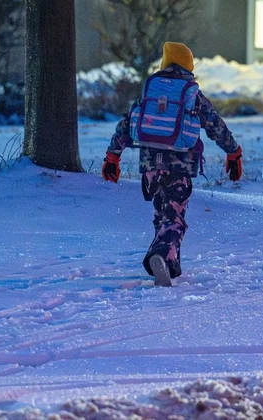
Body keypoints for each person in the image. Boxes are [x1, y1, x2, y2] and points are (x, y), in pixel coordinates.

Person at [101, 41, 243, 287]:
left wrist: (113, 155)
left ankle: (171, 265)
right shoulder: (191, 93)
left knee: (162, 215)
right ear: (188, 64)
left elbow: (127, 123)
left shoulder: (150, 90)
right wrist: (234, 152)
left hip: (149, 165)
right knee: (175, 217)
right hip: (179, 164)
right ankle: (162, 256)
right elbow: (215, 125)